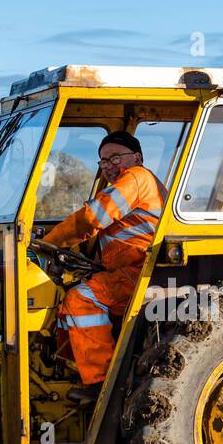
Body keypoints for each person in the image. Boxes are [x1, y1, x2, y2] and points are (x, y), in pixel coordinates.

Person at [43, 131, 167, 401]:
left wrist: (46, 244)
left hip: (138, 275)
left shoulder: (136, 177)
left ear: (137, 157)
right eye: (102, 161)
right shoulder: (134, 182)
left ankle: (102, 386)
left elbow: (93, 218)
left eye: (114, 157)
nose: (109, 165)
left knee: (81, 299)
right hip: (126, 272)